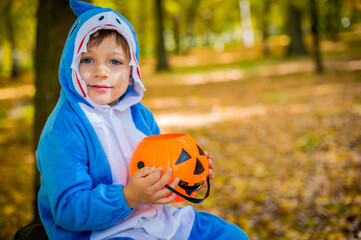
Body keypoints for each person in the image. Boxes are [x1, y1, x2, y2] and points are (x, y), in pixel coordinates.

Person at [36, 0, 250, 239]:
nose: (101, 71)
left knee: (231, 235)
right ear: (71, 65)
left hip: (161, 222)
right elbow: (67, 209)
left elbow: (163, 174)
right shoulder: (62, 130)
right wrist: (128, 196)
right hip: (105, 233)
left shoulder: (140, 116)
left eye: (114, 62)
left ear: (131, 73)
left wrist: (191, 174)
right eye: (88, 60)